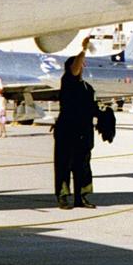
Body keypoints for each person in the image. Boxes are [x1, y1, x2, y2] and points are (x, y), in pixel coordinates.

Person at [53, 52, 98, 207]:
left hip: (84, 132)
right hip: (67, 130)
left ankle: (82, 197)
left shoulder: (87, 87)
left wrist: (104, 115)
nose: (81, 67)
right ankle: (63, 196)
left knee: (83, 166)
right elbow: (74, 69)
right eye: (79, 64)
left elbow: (93, 108)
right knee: (64, 165)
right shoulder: (67, 81)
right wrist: (83, 50)